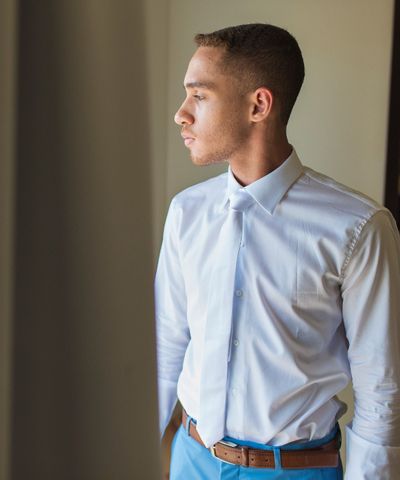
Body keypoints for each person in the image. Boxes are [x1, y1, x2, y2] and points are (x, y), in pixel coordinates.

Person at [155, 23, 400, 479]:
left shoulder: (358, 228)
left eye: (199, 96)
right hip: (191, 461)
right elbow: (167, 344)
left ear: (258, 105)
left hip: (296, 469)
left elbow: (381, 388)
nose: (181, 114)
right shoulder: (186, 213)